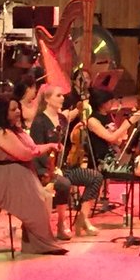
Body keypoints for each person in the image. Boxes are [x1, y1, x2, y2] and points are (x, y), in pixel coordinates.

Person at [0, 94, 67, 255]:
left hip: (13, 177)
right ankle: (40, 244)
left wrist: (50, 145)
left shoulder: (14, 130)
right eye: (13, 109)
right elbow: (25, 154)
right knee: (36, 201)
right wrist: (47, 147)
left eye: (18, 108)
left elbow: (32, 148)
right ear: (3, 113)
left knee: (42, 197)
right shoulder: (0, 133)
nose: (18, 111)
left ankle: (35, 243)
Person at [30, 85, 101, 239]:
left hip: (64, 167)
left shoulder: (62, 119)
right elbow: (37, 150)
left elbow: (68, 145)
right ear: (48, 100)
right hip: (45, 169)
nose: (63, 98)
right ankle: (61, 224)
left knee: (95, 177)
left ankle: (82, 219)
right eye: (58, 95)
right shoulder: (39, 121)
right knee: (63, 184)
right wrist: (53, 168)